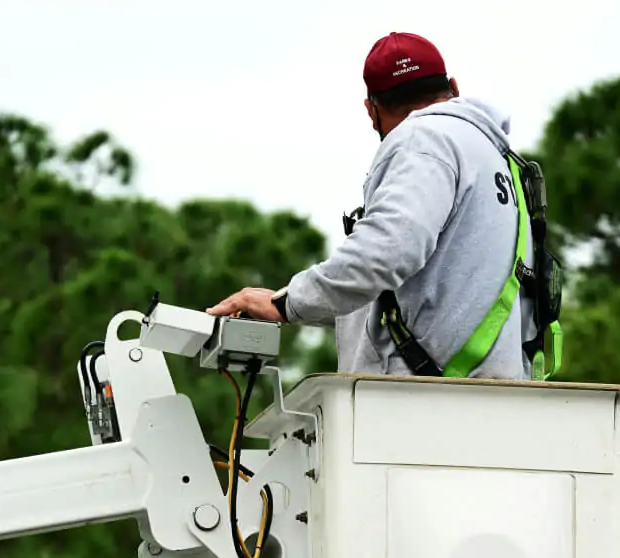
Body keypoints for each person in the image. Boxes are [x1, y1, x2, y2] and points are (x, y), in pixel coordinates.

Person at [207, 32, 537, 380]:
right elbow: (432, 293)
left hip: (419, 405)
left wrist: (284, 305)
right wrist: (291, 299)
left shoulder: (421, 141)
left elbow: (386, 253)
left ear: (371, 109)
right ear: (453, 86)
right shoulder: (499, 160)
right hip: (494, 400)